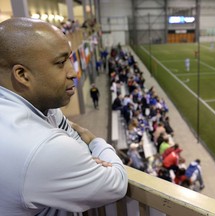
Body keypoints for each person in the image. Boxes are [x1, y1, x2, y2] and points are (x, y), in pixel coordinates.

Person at [0, 17, 128, 216]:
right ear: (23, 75)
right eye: (61, 63)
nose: (73, 73)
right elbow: (116, 182)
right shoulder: (41, 146)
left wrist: (76, 157)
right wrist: (94, 140)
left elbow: (73, 147)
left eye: (70, 59)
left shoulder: (43, 106)